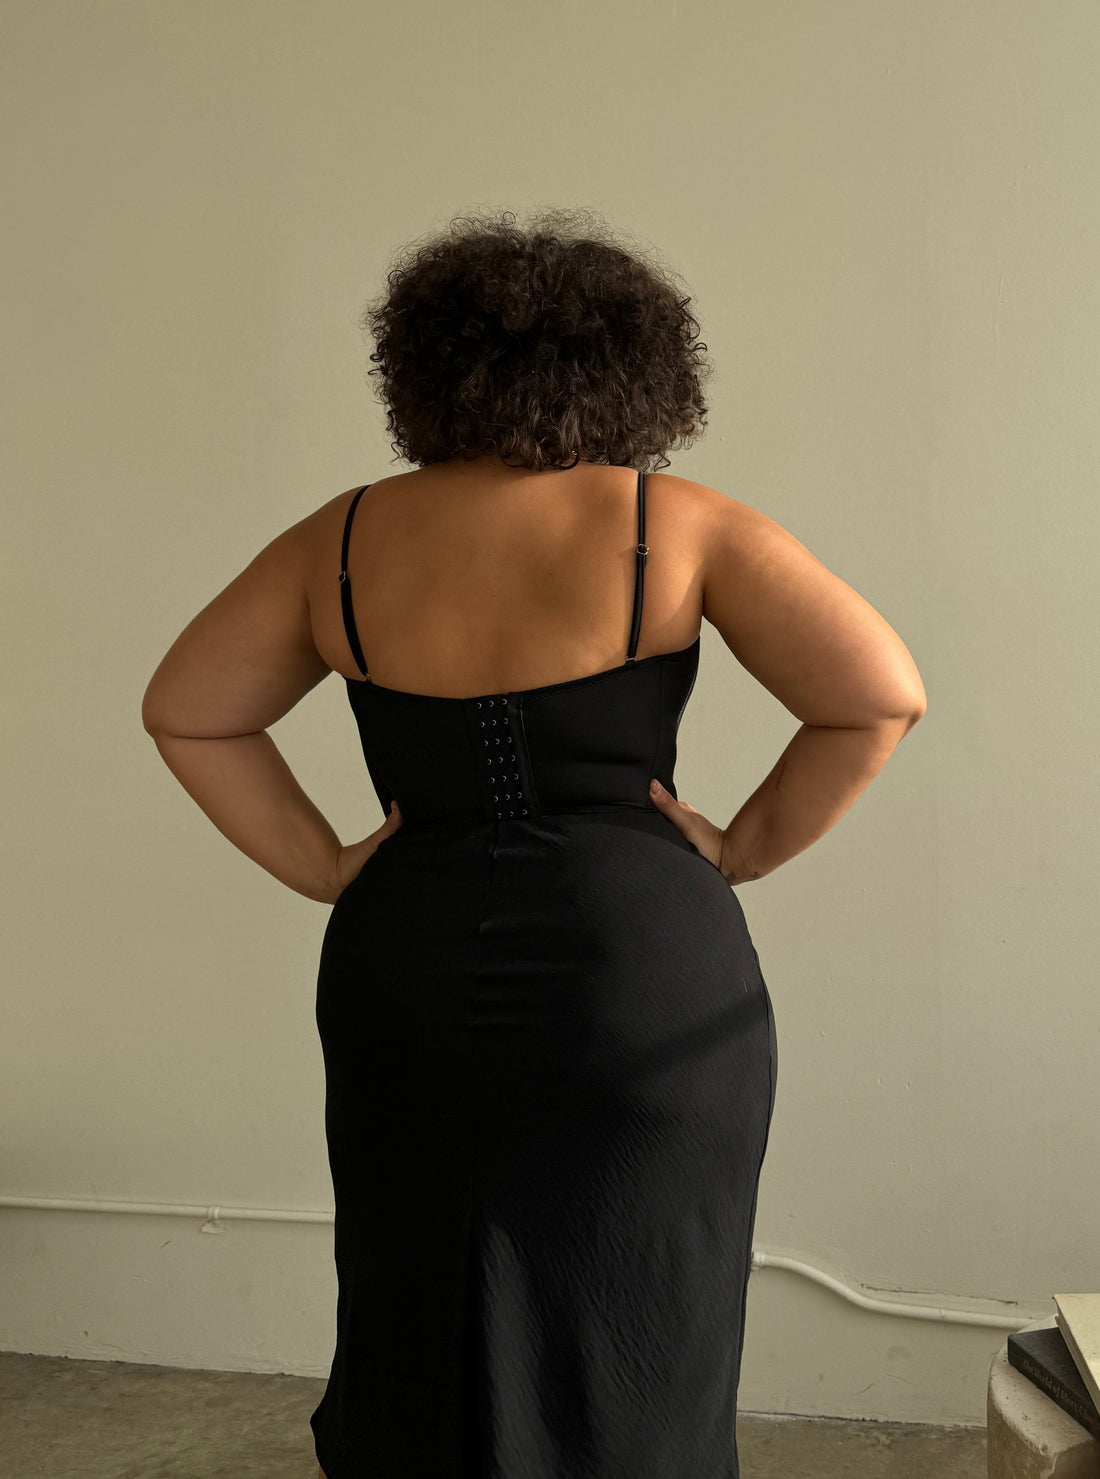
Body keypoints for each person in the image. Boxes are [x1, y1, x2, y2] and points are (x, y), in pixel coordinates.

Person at [141, 208, 926, 1479]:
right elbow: (878, 694)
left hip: (405, 954)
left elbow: (187, 710)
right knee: (642, 1301)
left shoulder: (339, 540)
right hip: (637, 959)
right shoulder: (675, 523)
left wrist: (327, 867)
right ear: (635, 369)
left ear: (425, 369)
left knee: (417, 1280)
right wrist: (738, 848)